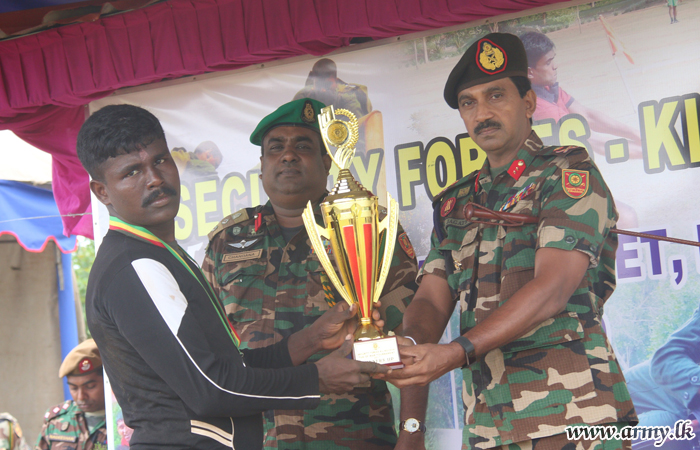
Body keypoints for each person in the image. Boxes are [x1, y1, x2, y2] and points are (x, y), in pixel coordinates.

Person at [78, 104, 389, 450]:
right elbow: (212, 388)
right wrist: (318, 378)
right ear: (102, 191)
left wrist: (312, 340)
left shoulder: (159, 255)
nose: (154, 179)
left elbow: (231, 366)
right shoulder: (135, 266)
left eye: (160, 161)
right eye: (132, 172)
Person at [381, 33, 637, 449]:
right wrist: (409, 343)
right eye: (469, 103)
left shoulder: (566, 172)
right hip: (488, 424)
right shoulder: (455, 203)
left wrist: (457, 351)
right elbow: (431, 298)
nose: (482, 113)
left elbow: (552, 287)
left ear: (529, 103)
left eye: (496, 96)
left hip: (574, 415)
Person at [203, 98, 426, 450]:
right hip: (254, 437)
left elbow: (413, 336)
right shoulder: (226, 242)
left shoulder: (368, 227)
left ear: (327, 161)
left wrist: (412, 431)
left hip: (354, 436)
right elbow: (209, 352)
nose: (288, 156)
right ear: (261, 167)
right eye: (276, 148)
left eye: (303, 146)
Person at [519, 30, 643, 159]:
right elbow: (597, 143)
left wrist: (638, 135)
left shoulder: (545, 87)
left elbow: (588, 116)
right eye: (548, 63)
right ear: (530, 73)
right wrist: (648, 151)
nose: (555, 66)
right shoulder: (539, 109)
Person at [35, 339, 108, 450]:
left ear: (107, 381)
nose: (81, 397)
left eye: (90, 386)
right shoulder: (56, 420)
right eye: (74, 388)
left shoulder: (124, 421)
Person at [293, 59, 371, 119]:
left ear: (335, 81)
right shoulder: (303, 95)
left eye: (327, 84)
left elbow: (357, 127)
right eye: (319, 85)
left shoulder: (347, 96)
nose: (323, 90)